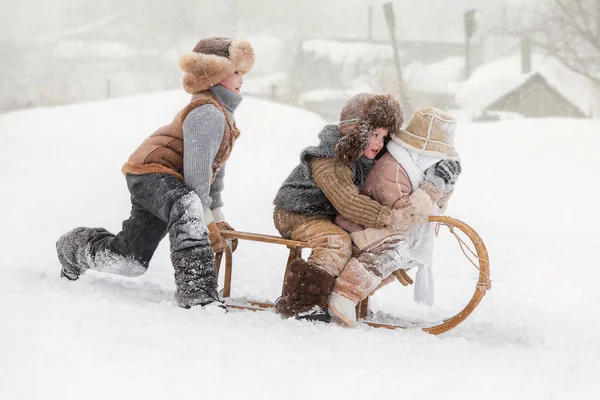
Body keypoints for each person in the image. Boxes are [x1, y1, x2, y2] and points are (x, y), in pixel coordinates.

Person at [55, 37, 255, 309]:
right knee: (187, 205)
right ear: (216, 72)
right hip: (152, 172)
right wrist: (205, 221)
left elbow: (213, 171)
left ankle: (75, 249)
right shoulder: (207, 111)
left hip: (165, 179)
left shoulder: (223, 114)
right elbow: (197, 175)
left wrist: (216, 216)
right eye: (235, 72)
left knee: (130, 261)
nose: (241, 79)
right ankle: (197, 295)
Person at [272, 92, 416, 322]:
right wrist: (388, 217)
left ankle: (341, 294)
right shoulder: (330, 159)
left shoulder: (364, 159)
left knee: (360, 242)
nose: (379, 143)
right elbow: (348, 201)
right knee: (335, 241)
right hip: (297, 212)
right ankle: (302, 302)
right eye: (374, 134)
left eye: (384, 137)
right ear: (357, 132)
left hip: (326, 215)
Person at [327, 107, 462, 326]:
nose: (433, 168)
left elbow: (434, 209)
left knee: (409, 254)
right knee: (397, 249)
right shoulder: (393, 168)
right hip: (361, 227)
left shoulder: (413, 171)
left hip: (382, 227)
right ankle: (344, 294)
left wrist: (444, 187)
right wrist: (432, 187)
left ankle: (357, 292)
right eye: (434, 162)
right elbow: (404, 214)